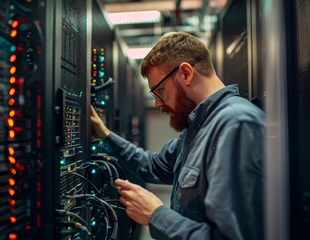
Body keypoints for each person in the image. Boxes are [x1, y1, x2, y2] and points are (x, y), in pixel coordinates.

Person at [91, 31, 265, 240]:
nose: (157, 103)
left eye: (160, 91)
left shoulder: (236, 125)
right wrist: (106, 135)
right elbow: (153, 165)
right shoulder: (199, 127)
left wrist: (156, 214)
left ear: (185, 73)